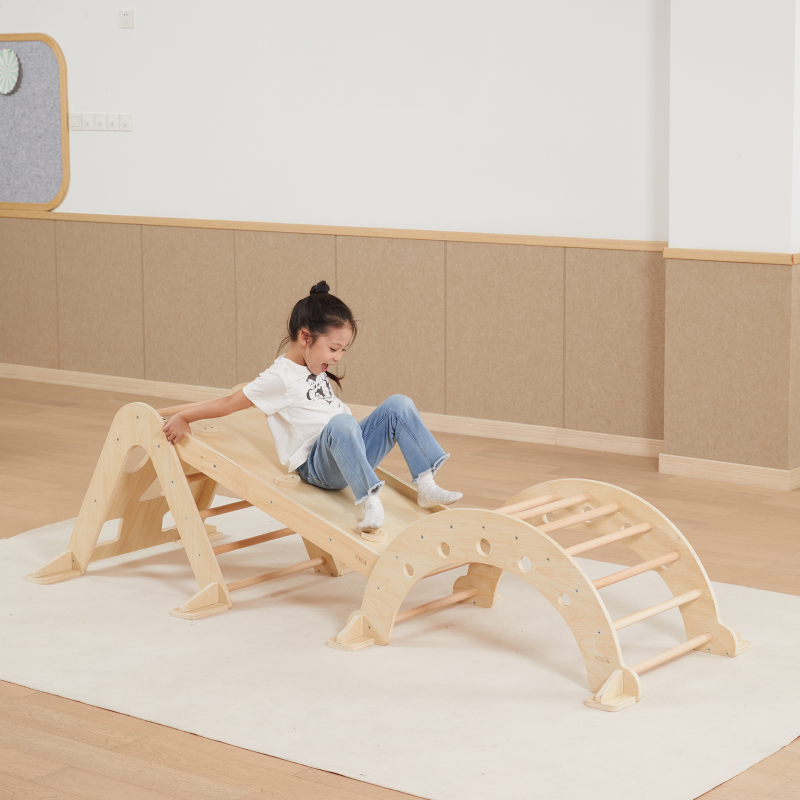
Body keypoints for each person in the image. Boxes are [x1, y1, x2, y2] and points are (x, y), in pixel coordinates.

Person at [161, 281, 462, 532]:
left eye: (343, 350)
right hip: (319, 468)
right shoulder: (280, 377)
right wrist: (183, 416)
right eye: (333, 348)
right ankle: (370, 501)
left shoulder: (313, 367)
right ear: (305, 337)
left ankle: (425, 482)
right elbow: (229, 403)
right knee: (341, 425)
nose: (338, 357)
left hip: (348, 449)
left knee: (399, 404)